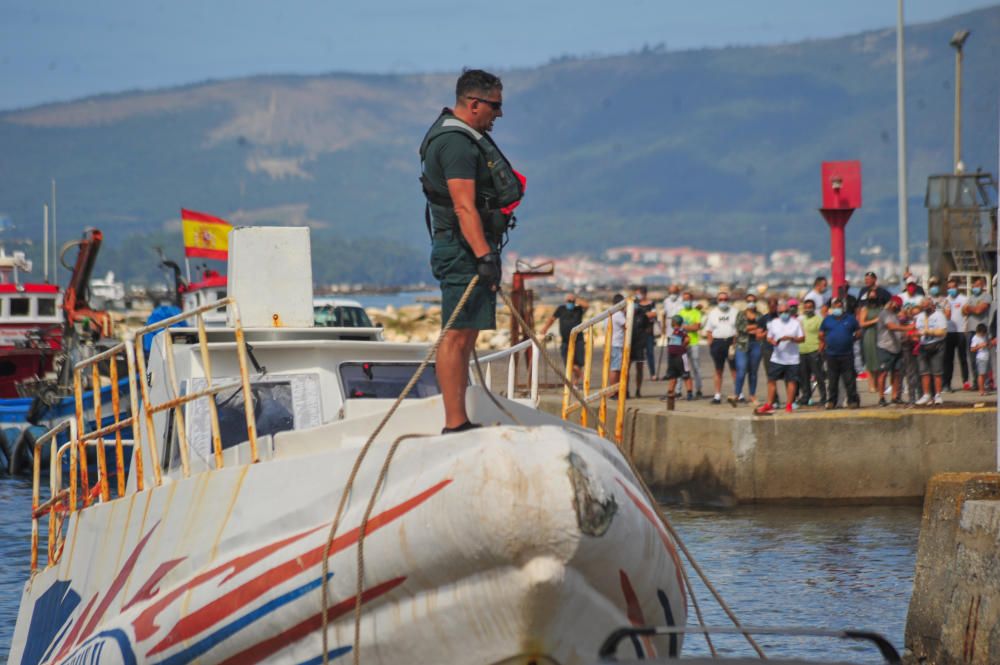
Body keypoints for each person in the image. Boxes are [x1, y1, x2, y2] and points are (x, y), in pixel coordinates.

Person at [420, 69, 523, 433]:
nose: (499, 114)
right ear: (474, 103)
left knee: (467, 333)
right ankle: (454, 422)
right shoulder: (457, 144)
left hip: (468, 248)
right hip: (462, 250)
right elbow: (464, 207)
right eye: (495, 106)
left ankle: (459, 417)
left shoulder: (461, 137)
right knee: (457, 334)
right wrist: (485, 255)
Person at [755, 301, 804, 414]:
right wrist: (774, 341)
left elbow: (802, 338)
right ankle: (769, 404)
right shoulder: (774, 323)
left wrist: (791, 339)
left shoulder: (795, 323)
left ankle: (789, 405)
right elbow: (769, 337)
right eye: (781, 312)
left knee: (791, 381)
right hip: (777, 357)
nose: (784, 314)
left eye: (786, 311)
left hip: (792, 358)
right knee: (771, 380)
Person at [819, 298, 861, 409]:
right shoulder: (827, 320)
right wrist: (824, 342)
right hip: (831, 354)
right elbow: (821, 333)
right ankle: (832, 401)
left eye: (839, 306)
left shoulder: (850, 319)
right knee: (832, 380)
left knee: (849, 379)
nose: (837, 308)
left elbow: (858, 332)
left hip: (847, 354)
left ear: (842, 307)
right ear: (832, 308)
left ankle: (852, 401)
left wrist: (851, 339)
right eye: (835, 306)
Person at [541, 293, 588, 385]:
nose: (570, 303)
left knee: (579, 362)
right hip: (565, 341)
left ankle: (575, 382)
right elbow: (552, 319)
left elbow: (586, 305)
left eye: (572, 301)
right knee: (568, 362)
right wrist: (545, 329)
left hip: (578, 340)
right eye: (569, 301)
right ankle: (581, 376)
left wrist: (576, 299)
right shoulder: (561, 309)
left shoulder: (578, 309)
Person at [875, 295, 913, 405]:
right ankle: (881, 398)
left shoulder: (895, 315)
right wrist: (907, 328)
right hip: (885, 347)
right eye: (897, 305)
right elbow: (891, 327)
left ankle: (895, 396)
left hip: (897, 347)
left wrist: (906, 335)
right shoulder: (884, 313)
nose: (898, 307)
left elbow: (899, 330)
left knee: (896, 373)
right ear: (892, 303)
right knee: (883, 373)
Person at [704, 291, 738, 404]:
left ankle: (738, 393)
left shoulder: (734, 312)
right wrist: (711, 343)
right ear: (717, 301)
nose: (723, 301)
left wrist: (735, 342)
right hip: (718, 342)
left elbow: (739, 328)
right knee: (718, 369)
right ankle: (717, 395)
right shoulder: (713, 313)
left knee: (734, 369)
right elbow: (708, 330)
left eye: (725, 299)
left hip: (731, 342)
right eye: (721, 300)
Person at [915, 297, 947, 405]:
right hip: (924, 346)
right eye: (923, 306)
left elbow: (942, 332)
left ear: (932, 305)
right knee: (924, 372)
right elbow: (917, 330)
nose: (925, 308)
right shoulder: (920, 317)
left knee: (937, 371)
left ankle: (937, 394)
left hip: (937, 344)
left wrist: (929, 332)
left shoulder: (939, 315)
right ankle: (926, 395)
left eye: (927, 305)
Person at [732, 294, 763, 405]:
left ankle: (752, 395)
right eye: (749, 301)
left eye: (753, 300)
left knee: (753, 372)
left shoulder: (760, 315)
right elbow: (739, 328)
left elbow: (762, 328)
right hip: (742, 345)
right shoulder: (741, 314)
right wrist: (753, 328)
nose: (751, 302)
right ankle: (736, 394)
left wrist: (749, 329)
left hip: (756, 344)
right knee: (741, 370)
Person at [963, 277, 992, 387]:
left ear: (983, 285)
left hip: (982, 332)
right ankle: (976, 382)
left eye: (978, 285)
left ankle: (987, 382)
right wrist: (972, 308)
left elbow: (979, 310)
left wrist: (970, 308)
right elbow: (963, 310)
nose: (976, 287)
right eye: (974, 285)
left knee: (984, 357)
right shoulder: (970, 298)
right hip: (971, 331)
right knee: (972, 358)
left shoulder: (986, 296)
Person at [797, 298, 827, 407]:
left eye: (810, 307)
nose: (808, 309)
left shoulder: (818, 320)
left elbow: (823, 336)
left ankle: (824, 397)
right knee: (804, 377)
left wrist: (820, 349)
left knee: (819, 376)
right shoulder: (801, 320)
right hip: (802, 350)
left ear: (814, 308)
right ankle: (806, 397)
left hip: (814, 350)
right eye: (806, 307)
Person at [943, 278, 969, 391]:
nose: (951, 289)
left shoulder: (964, 299)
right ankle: (947, 384)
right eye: (949, 288)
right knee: (948, 359)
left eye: (953, 287)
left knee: (963, 358)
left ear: (957, 287)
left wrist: (966, 329)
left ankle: (966, 382)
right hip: (949, 333)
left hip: (960, 332)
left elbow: (967, 314)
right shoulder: (945, 300)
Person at [662, 314, 692, 409]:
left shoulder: (681, 331)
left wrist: (682, 346)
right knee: (672, 375)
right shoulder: (673, 331)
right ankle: (670, 392)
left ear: (674, 322)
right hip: (672, 357)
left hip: (680, 356)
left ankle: (689, 393)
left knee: (685, 375)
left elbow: (688, 339)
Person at [631, 286, 658, 394]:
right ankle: (627, 390)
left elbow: (654, 314)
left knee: (646, 357)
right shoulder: (634, 304)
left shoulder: (651, 304)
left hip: (647, 333)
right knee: (628, 364)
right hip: (634, 337)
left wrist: (642, 314)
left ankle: (651, 375)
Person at [757, 296, 782, 407]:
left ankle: (793, 398)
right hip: (768, 349)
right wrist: (768, 333)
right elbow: (758, 335)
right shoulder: (763, 319)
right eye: (770, 306)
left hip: (781, 349)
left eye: (774, 305)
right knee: (771, 376)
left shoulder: (781, 317)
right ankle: (774, 399)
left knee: (788, 375)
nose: (772, 307)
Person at [678, 293, 704, 399]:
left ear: (691, 300)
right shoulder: (680, 312)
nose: (686, 301)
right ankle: (678, 391)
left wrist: (685, 327)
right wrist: (689, 327)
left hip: (693, 343)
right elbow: (677, 327)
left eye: (688, 299)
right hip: (682, 344)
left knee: (696, 367)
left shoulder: (696, 312)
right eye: (684, 299)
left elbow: (697, 327)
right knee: (681, 367)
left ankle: (698, 389)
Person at [857, 287, 882, 392]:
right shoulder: (865, 309)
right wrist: (874, 321)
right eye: (870, 296)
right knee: (870, 360)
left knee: (879, 360)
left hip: (879, 335)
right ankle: (871, 384)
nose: (873, 297)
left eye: (874, 295)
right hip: (869, 335)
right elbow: (862, 323)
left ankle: (878, 384)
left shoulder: (881, 308)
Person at [609, 294, 627, 388]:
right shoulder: (618, 314)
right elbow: (626, 326)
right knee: (615, 368)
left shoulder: (610, 313)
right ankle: (613, 391)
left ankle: (613, 390)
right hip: (617, 344)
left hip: (611, 343)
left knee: (614, 367)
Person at [970, 323, 991, 395]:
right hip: (980, 358)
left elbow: (989, 346)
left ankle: (985, 388)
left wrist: (988, 344)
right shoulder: (975, 338)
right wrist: (980, 346)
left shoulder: (985, 336)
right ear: (978, 332)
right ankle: (981, 390)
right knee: (981, 374)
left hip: (986, 357)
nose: (983, 334)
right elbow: (972, 349)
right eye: (982, 333)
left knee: (985, 375)